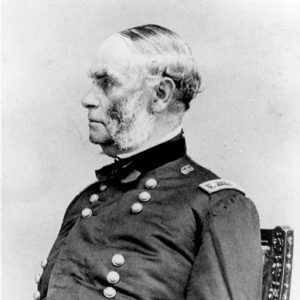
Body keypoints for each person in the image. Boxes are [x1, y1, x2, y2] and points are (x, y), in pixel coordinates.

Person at [34, 24, 262, 300]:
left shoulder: (217, 207)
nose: (87, 99)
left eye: (107, 83)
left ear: (160, 95)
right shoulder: (87, 200)